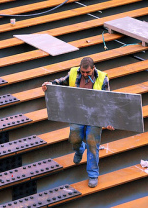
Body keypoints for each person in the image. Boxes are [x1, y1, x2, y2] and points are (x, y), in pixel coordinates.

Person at [41, 57, 114, 188]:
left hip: (94, 116)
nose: (85, 75)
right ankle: (79, 149)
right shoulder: (74, 73)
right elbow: (61, 82)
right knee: (74, 138)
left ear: (93, 68)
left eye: (88, 72)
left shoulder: (103, 78)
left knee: (92, 145)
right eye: (83, 72)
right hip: (77, 113)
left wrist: (108, 120)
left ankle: (93, 175)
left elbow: (107, 101)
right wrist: (49, 85)